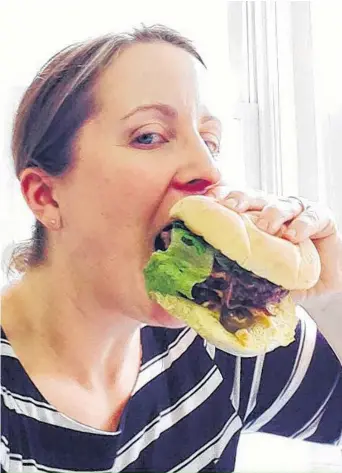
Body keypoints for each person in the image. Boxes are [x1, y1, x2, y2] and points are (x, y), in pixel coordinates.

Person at [1, 25, 341, 473]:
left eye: (211, 141)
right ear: (45, 196)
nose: (208, 170)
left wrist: (330, 294)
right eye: (149, 136)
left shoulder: (221, 338)